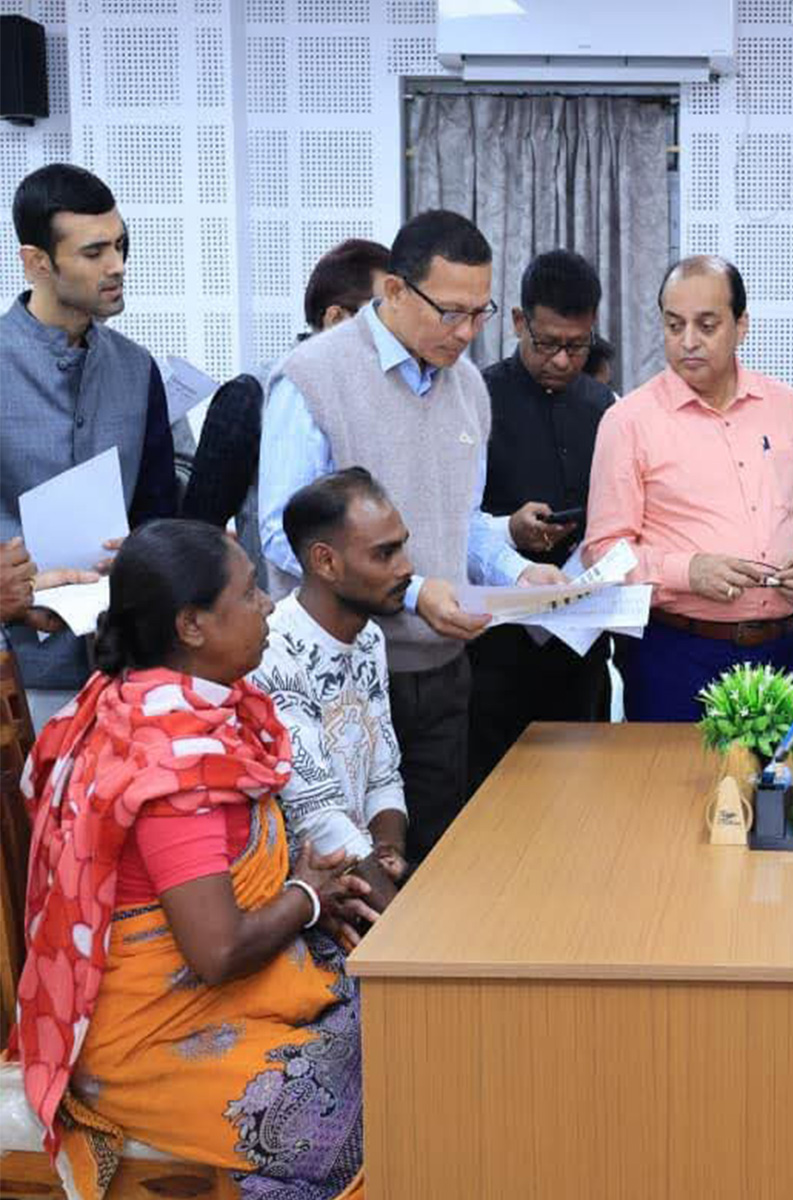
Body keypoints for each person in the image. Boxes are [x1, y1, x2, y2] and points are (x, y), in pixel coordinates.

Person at [12, 519, 370, 1199]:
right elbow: (217, 950)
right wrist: (308, 896)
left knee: (410, 1015)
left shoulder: (159, 708)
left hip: (202, 998)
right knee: (387, 1105)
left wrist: (309, 903)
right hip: (155, 1040)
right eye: (248, 592)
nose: (268, 604)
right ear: (193, 627)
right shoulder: (174, 763)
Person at [258, 210, 562, 864]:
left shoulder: (469, 388)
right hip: (332, 679)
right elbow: (284, 535)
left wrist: (515, 572)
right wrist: (412, 590)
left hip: (444, 674)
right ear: (394, 291)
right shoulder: (314, 376)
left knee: (433, 866)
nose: (468, 333)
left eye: (481, 313)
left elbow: (462, 516)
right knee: (343, 872)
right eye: (452, 312)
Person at [584, 255, 793, 720]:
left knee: (781, 791)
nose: (688, 342)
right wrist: (688, 572)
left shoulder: (792, 410)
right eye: (674, 325)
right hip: (676, 655)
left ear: (741, 325)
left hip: (782, 651)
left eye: (707, 325)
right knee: (675, 793)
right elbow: (603, 554)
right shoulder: (628, 422)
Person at [0, 163, 177, 728]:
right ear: (37, 263)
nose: (118, 266)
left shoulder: (134, 368)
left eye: (121, 245)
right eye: (94, 251)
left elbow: (156, 511)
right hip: (17, 670)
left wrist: (143, 555)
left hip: (120, 666)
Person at [469, 250, 615, 789]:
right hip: (495, 650)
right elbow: (453, 514)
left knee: (584, 793)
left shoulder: (606, 405)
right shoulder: (476, 397)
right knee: (496, 796)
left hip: (581, 644)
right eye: (547, 343)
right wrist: (512, 529)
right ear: (518, 323)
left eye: (577, 346)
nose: (561, 360)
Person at [184, 238, 391, 587]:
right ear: (336, 318)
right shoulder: (250, 395)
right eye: (385, 318)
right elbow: (197, 535)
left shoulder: (388, 392)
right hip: (278, 619)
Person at [250, 469, 409, 876]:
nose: (406, 568)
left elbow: (383, 777)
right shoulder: (271, 651)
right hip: (307, 895)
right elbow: (317, 817)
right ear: (326, 561)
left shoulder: (370, 638)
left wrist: (388, 852)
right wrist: (396, 916)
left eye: (402, 548)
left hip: (359, 874)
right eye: (384, 554)